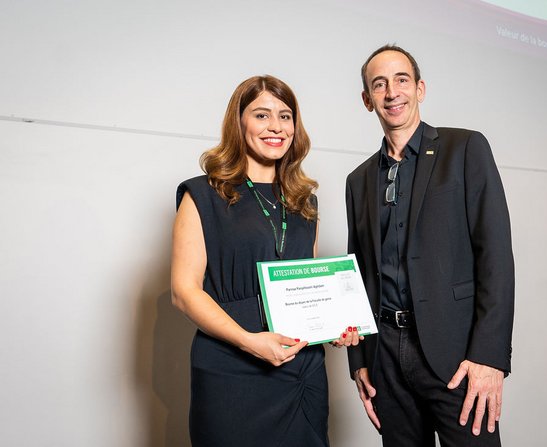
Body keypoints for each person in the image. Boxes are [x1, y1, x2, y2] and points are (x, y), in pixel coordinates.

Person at [171, 75, 360, 446]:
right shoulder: (203, 195)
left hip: (302, 372)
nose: (276, 126)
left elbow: (310, 283)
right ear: (239, 123)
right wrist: (248, 341)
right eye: (262, 115)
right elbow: (183, 291)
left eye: (286, 116)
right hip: (231, 370)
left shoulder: (306, 201)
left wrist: (335, 326)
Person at [344, 45, 515, 446]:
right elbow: (359, 274)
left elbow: (495, 257)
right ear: (367, 100)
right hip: (386, 356)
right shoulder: (358, 179)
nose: (392, 92)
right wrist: (360, 361)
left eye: (401, 80)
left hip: (456, 355)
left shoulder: (465, 149)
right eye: (379, 84)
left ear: (420, 88)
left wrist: (489, 357)